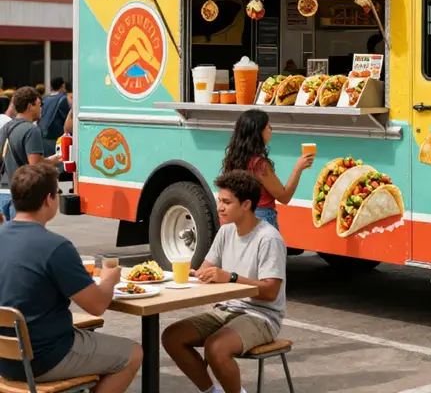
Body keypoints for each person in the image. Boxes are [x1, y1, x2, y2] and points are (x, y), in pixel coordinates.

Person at [0, 163, 142, 390]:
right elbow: (96, 306)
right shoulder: (56, 247)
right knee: (132, 354)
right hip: (45, 357)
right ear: (49, 199)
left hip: (5, 360)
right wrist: (109, 278)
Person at [162, 170, 286, 393]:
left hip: (261, 316)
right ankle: (213, 392)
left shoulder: (268, 238)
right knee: (172, 336)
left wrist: (231, 277)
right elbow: (206, 272)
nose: (219, 207)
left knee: (216, 347)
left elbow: (271, 292)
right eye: (219, 200)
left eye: (226, 202)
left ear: (246, 204)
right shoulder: (226, 232)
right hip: (226, 309)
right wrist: (193, 274)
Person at [221, 109, 313, 230]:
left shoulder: (233, 159)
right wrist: (298, 168)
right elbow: (284, 197)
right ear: (258, 133)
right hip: (262, 219)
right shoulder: (259, 165)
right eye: (268, 126)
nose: (271, 129)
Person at [0, 87, 46, 221]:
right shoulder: (31, 130)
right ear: (30, 106)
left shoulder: (5, 128)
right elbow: (35, 166)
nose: (41, 108)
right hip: (21, 194)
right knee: (22, 237)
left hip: (3, 191)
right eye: (39, 104)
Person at [38, 77, 70, 157]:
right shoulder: (63, 99)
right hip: (56, 138)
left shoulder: (44, 98)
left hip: (42, 137)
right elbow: (67, 118)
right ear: (63, 86)